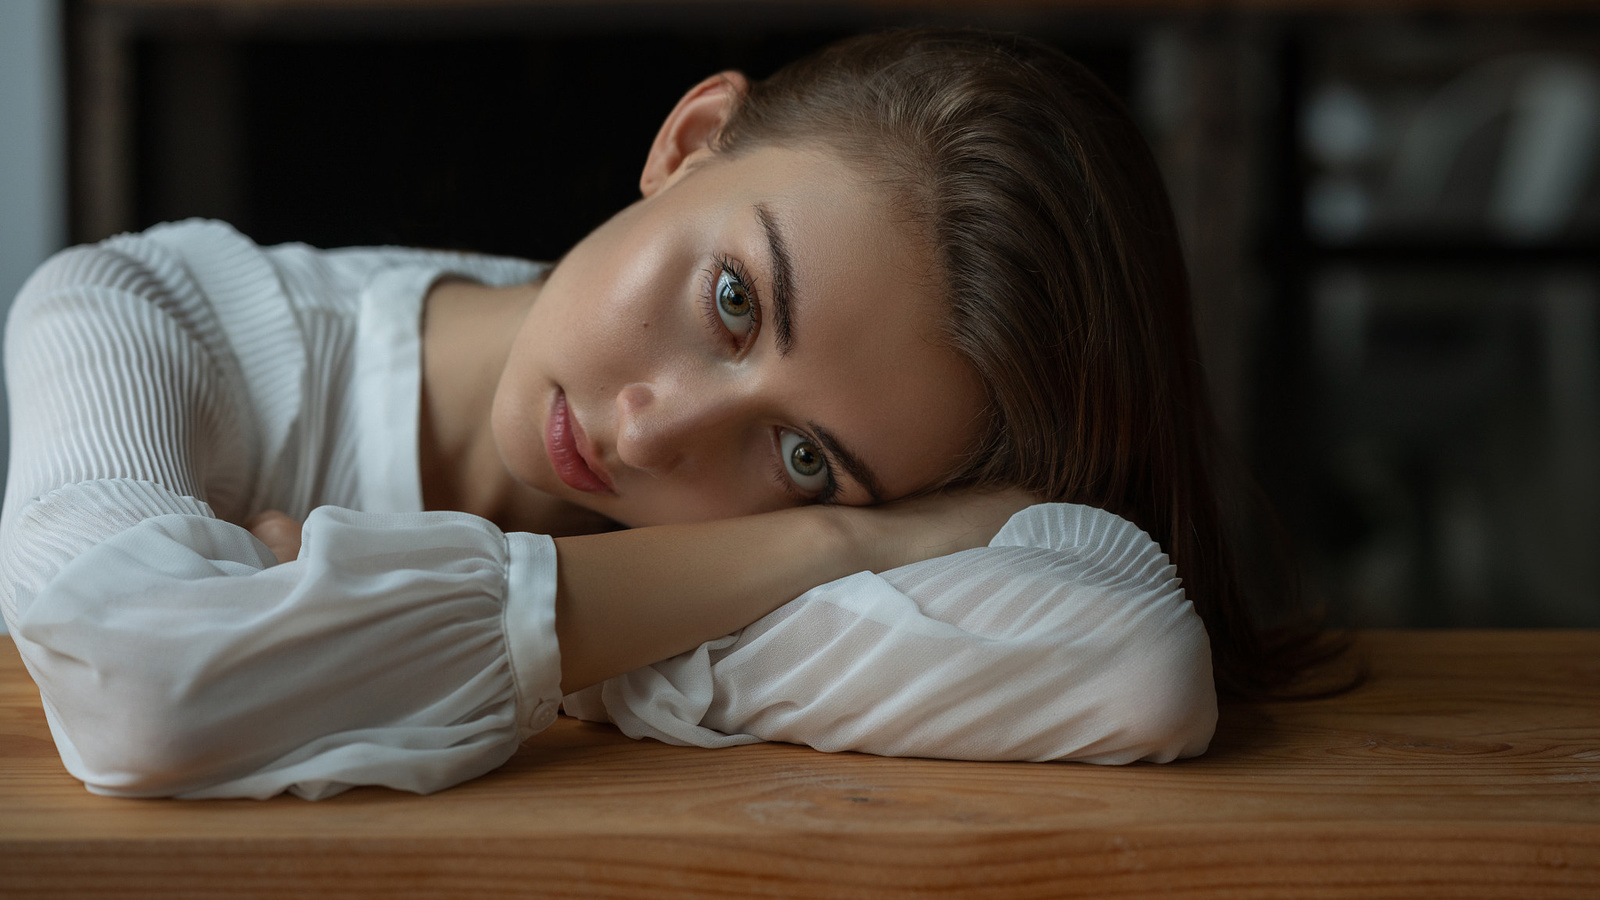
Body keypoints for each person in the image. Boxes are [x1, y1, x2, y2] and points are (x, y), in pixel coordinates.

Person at [0, 29, 1322, 801]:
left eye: (806, 458)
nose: (655, 431)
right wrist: (819, 553)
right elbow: (145, 683)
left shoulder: (790, 522)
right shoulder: (149, 311)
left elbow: (1134, 666)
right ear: (691, 140)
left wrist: (341, 630)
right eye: (736, 300)